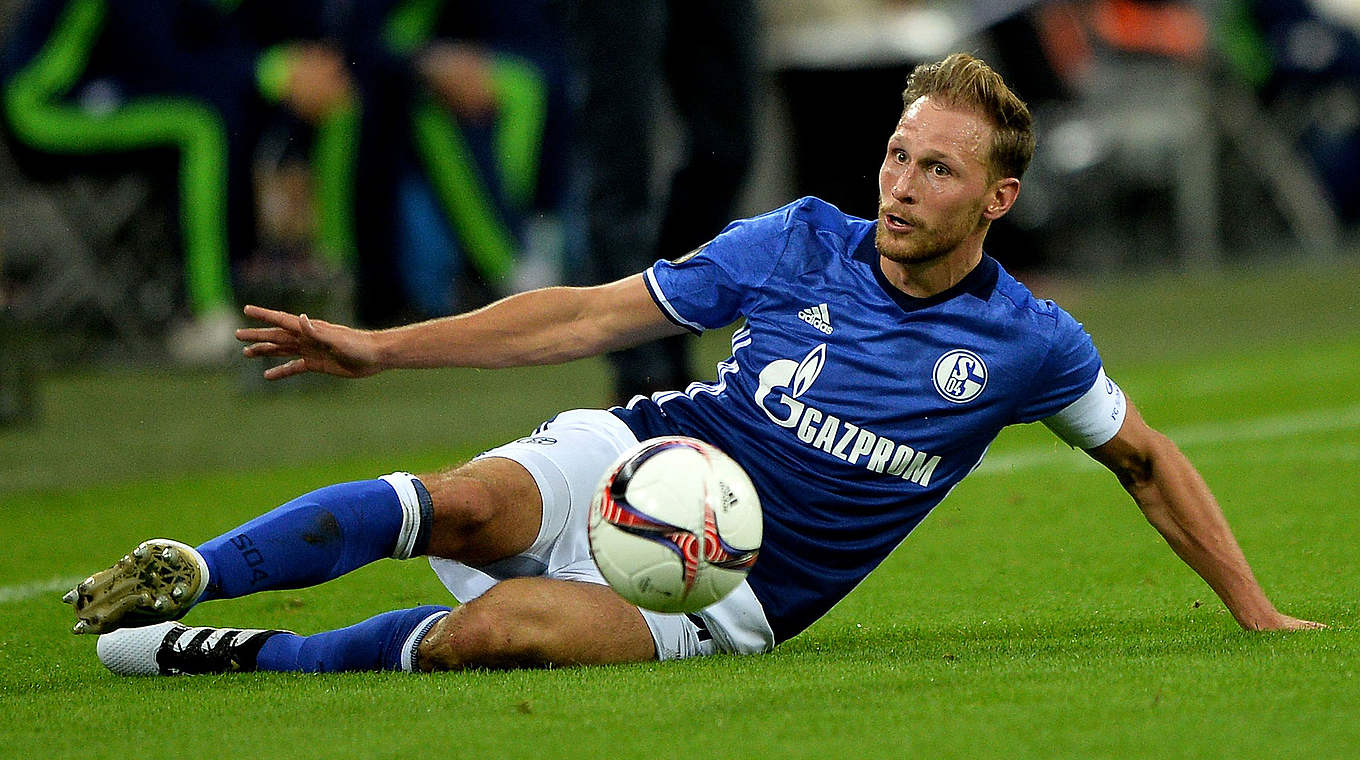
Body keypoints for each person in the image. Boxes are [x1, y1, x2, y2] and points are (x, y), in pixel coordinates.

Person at [69, 53, 1321, 677]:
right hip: (647, 450)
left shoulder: (1028, 343)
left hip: (730, 593)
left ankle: (226, 654)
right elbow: (584, 317)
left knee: (497, 629)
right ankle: (191, 569)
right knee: (456, 500)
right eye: (896, 154)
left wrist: (1254, 611)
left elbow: (1146, 461)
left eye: (936, 170)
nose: (900, 183)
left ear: (996, 196)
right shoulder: (797, 241)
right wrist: (381, 347)